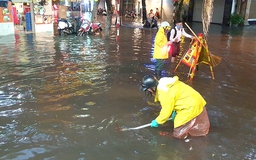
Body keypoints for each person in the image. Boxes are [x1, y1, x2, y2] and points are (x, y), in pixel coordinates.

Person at [140, 75, 210, 139]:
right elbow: (176, 96)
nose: (148, 91)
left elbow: (166, 112)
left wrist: (157, 121)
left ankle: (186, 140)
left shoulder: (164, 93)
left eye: (148, 89)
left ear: (152, 87)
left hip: (190, 106)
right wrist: (174, 111)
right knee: (192, 124)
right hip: (196, 100)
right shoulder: (165, 83)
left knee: (178, 131)